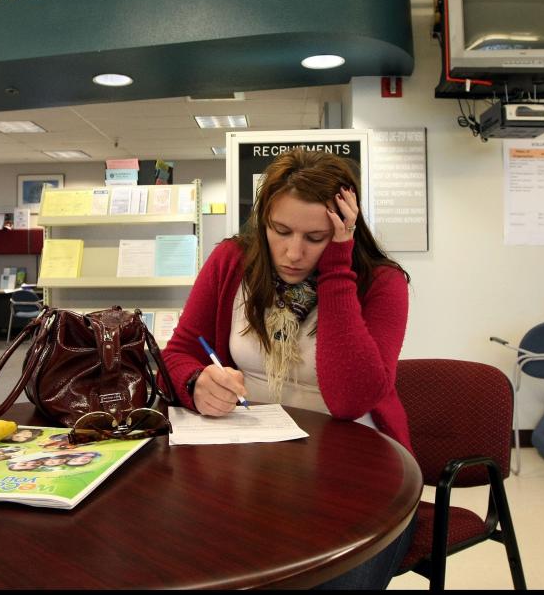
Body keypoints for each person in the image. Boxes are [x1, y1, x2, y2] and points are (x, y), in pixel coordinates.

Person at [162, 148, 414, 590]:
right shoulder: (231, 261)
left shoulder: (383, 283)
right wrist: (194, 381)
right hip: (251, 461)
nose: (293, 253)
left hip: (358, 470)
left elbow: (350, 399)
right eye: (280, 231)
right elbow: (179, 352)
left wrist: (338, 266)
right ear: (263, 221)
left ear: (344, 228)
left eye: (315, 237)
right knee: (197, 556)